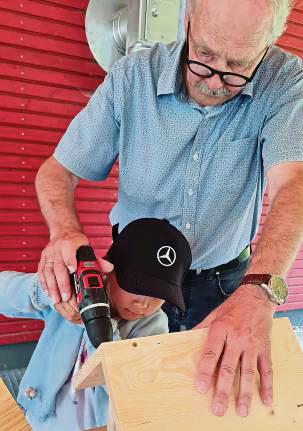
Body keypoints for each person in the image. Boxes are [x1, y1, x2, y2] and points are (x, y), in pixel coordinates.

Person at [35, 0, 303, 419]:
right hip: (132, 278)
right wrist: (65, 231)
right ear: (188, 20)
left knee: (213, 408)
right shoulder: (131, 77)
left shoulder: (286, 82)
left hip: (226, 284)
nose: (215, 82)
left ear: (267, 47)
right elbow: (57, 171)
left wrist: (259, 292)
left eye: (237, 68)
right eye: (205, 57)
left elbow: (294, 185)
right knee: (128, 403)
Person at [0, 219, 192, 430]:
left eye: (159, 295)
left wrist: (99, 320)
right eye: (137, 286)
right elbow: (4, 295)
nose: (144, 303)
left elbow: (127, 388)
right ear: (109, 268)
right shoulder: (76, 291)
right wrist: (52, 291)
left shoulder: (153, 327)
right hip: (37, 418)